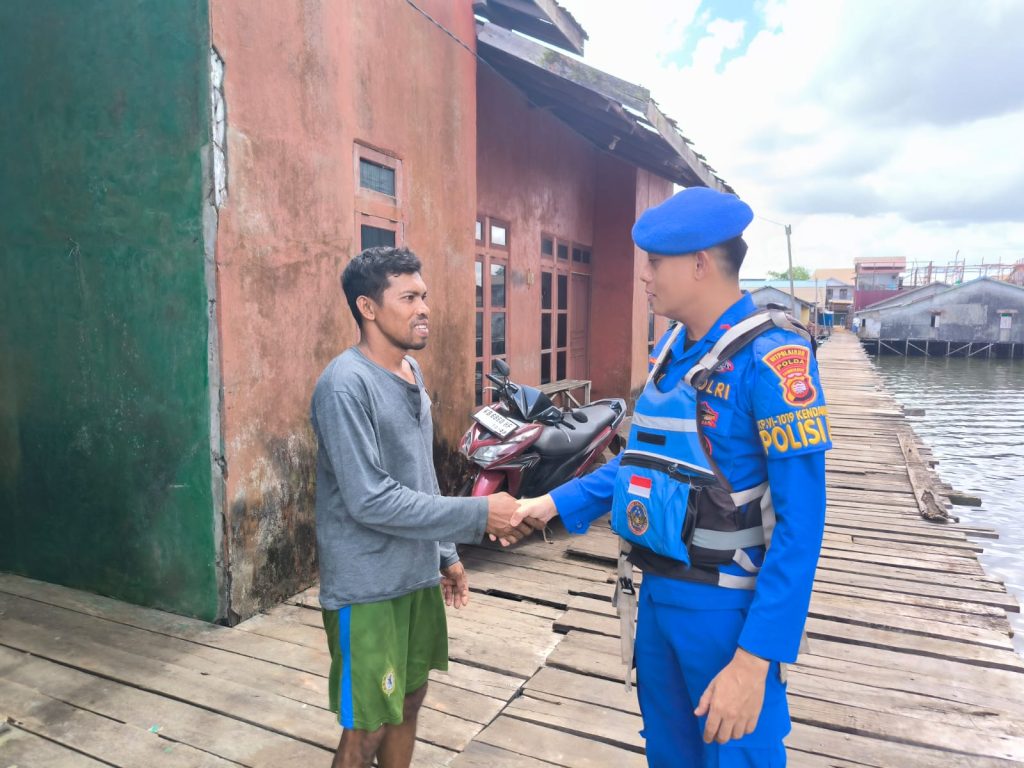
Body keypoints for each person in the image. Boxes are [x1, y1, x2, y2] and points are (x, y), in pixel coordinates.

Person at [514, 187, 831, 767]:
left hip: (727, 613)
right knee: (667, 754)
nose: (645, 276)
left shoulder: (773, 359)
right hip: (657, 599)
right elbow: (643, 465)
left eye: (655, 263)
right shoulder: (670, 351)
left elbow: (802, 525)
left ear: (700, 264)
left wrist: (754, 660)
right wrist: (553, 504)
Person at [311, 246, 529, 768]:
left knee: (410, 700)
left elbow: (420, 472)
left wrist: (446, 554)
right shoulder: (344, 386)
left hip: (415, 574)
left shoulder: (411, 369)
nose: (424, 308)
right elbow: (369, 499)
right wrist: (478, 514)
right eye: (408, 298)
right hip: (367, 586)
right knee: (366, 727)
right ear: (367, 307)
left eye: (423, 296)